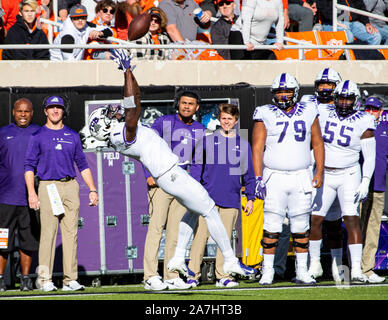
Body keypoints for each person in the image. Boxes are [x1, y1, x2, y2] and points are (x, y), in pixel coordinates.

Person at [89, 49, 256, 285]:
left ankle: (177, 260)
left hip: (172, 174)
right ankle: (229, 260)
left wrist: (131, 76)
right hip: (170, 175)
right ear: (105, 126)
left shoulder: (120, 131)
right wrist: (126, 72)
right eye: (107, 114)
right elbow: (132, 106)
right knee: (209, 209)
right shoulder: (121, 133)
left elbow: (136, 98)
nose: (112, 112)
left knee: (193, 211)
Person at [252, 72, 324, 285]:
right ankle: (268, 271)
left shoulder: (310, 109)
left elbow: (318, 143)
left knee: (301, 226)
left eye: (287, 91)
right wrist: (258, 177)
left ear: (296, 92)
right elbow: (257, 148)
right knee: (272, 226)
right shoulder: (264, 112)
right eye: (279, 91)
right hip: (274, 176)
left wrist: (319, 172)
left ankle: (301, 271)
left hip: (301, 175)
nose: (283, 95)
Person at [24, 95, 99, 292]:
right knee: (48, 234)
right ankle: (45, 279)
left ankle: (70, 280)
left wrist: (92, 189)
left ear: (63, 111)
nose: (55, 111)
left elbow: (82, 164)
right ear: (45, 111)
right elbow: (29, 166)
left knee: (70, 235)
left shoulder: (72, 135)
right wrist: (32, 192)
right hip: (48, 186)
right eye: (52, 108)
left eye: (58, 108)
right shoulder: (38, 136)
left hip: (70, 186)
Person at [309, 80, 377, 283]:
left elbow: (370, 156)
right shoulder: (323, 113)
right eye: (341, 98)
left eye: (348, 98)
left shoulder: (364, 120)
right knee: (316, 219)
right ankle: (315, 265)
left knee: (351, 219)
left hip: (349, 173)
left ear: (355, 100)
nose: (344, 102)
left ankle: (355, 269)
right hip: (326, 173)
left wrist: (365, 180)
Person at [186, 103, 255, 288]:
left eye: (230, 119)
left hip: (231, 199)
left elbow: (248, 173)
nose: (226, 122)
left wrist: (250, 197)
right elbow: (196, 168)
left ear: (236, 121)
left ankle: (223, 276)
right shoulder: (207, 141)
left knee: (224, 239)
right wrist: (193, 192)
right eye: (223, 118)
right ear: (219, 119)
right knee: (200, 237)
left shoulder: (243, 144)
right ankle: (192, 275)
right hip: (207, 199)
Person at [142, 89, 205, 290]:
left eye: (191, 104)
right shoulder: (163, 123)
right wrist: (148, 174)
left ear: (197, 107)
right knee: (156, 229)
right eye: (184, 102)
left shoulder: (200, 129)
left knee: (176, 232)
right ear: (177, 104)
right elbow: (146, 147)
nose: (187, 106)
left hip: (182, 183)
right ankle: (150, 276)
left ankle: (171, 275)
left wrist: (191, 184)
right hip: (161, 181)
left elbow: (197, 161)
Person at [301, 68, 346, 282]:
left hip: (339, 168)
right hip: (314, 167)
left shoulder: (344, 106)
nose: (325, 88)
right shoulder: (308, 104)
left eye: (329, 85)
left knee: (335, 222)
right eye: (322, 84)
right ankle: (315, 264)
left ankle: (339, 266)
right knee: (314, 218)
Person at [0, 98, 40, 292]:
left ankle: (25, 279)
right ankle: (0, 279)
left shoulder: (39, 133)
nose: (23, 114)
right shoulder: (3, 133)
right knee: (2, 241)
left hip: (30, 200)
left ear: (32, 113)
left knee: (28, 241)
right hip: (5, 199)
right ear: (13, 112)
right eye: (19, 111)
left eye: (26, 111)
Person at [360, 96, 387, 283]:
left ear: (380, 112)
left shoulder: (385, 129)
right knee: (355, 228)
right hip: (358, 186)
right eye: (368, 108)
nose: (371, 112)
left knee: (373, 228)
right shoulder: (358, 126)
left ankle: (367, 269)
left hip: (378, 185)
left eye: (374, 109)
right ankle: (353, 268)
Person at [316, 0, 382, 45]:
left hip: (353, 23)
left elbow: (360, 6)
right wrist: (334, 20)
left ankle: (367, 61)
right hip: (331, 23)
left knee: (375, 36)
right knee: (348, 35)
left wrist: (367, 23)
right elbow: (321, 6)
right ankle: (348, 63)